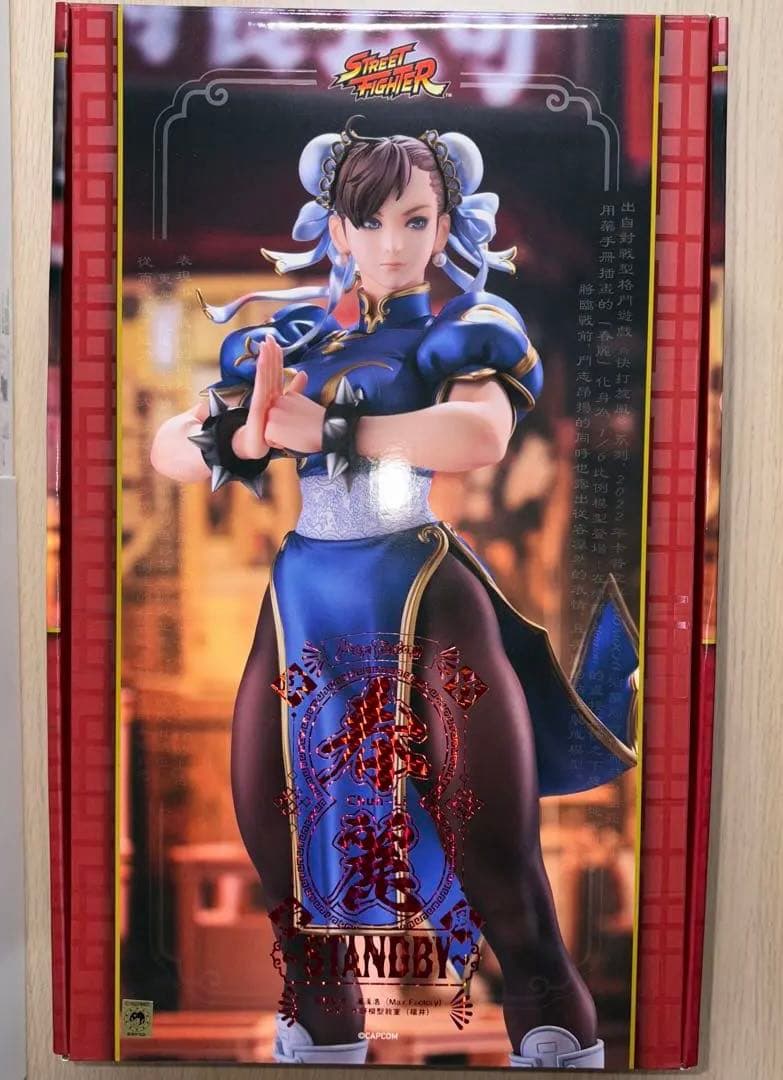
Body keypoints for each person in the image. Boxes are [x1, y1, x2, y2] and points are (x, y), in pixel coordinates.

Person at [150, 117, 638, 1069]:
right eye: (367, 221)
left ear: (445, 224)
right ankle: (325, 1037)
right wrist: (243, 436)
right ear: (334, 227)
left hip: (422, 590)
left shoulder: (464, 329)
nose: (389, 244)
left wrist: (327, 432)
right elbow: (175, 443)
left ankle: (551, 1035)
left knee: (501, 871)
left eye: (413, 220)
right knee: (289, 874)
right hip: (304, 603)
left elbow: (478, 436)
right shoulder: (291, 339)